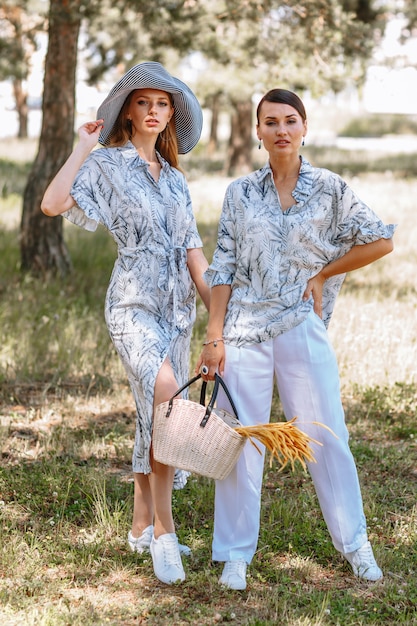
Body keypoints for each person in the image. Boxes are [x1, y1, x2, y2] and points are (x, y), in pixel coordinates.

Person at [196, 88, 395, 591]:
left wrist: (325, 274)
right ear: (258, 131)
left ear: (304, 127)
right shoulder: (240, 193)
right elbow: (223, 265)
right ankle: (236, 554)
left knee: (326, 435)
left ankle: (355, 546)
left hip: (302, 324)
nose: (281, 130)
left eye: (290, 120)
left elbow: (381, 238)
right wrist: (214, 334)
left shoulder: (330, 188)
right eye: (270, 122)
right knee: (245, 440)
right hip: (243, 328)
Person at [41, 62, 210, 585]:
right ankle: (164, 534)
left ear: (171, 115)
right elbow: (52, 204)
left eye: (163, 105)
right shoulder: (109, 165)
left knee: (152, 415)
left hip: (177, 313)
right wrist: (80, 148)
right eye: (144, 104)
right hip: (131, 308)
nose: (154, 112)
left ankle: (138, 526)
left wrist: (219, 317)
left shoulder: (176, 179)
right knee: (164, 397)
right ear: (128, 111)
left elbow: (193, 251)